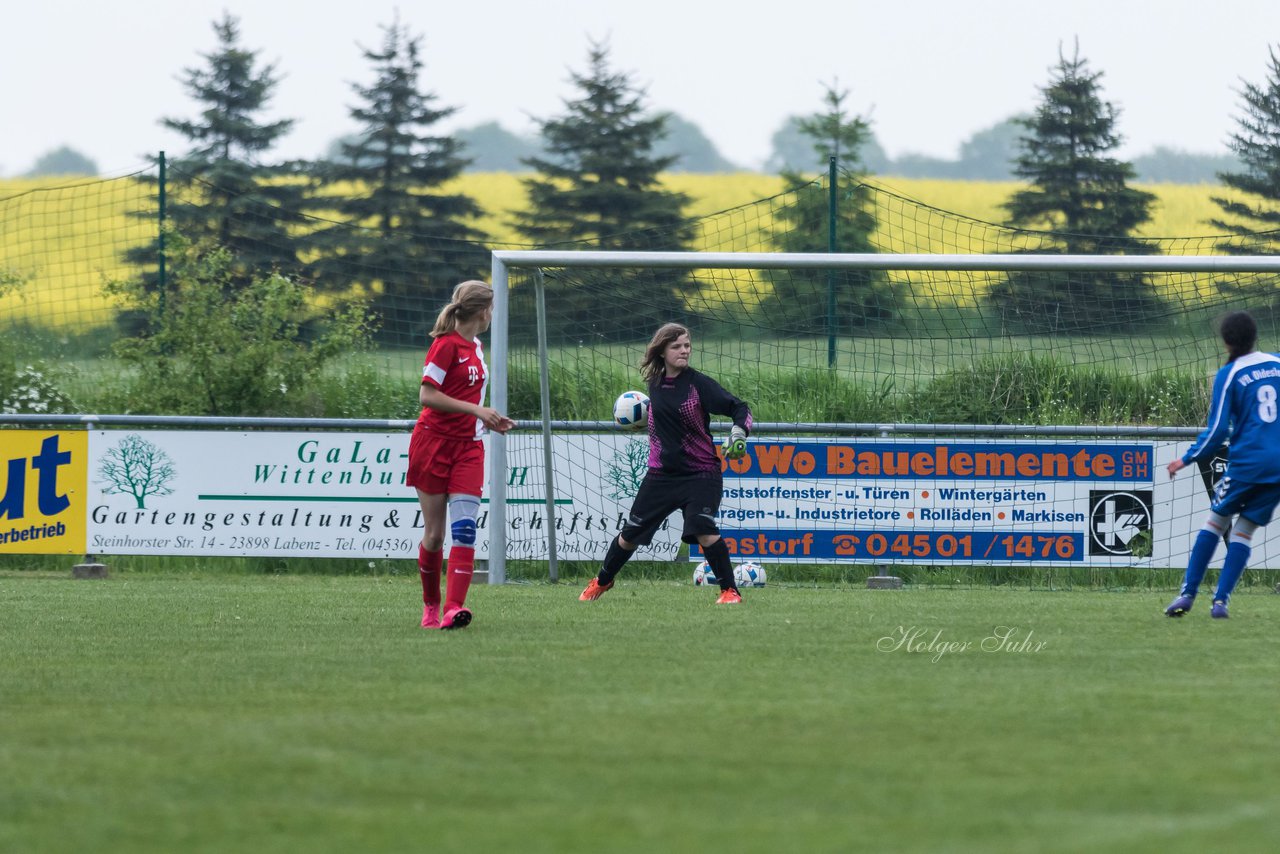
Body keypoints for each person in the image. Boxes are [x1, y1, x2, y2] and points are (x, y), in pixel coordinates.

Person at [579, 322, 753, 605]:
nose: (684, 351)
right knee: (630, 535)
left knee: (703, 528)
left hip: (701, 472)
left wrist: (738, 432)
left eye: (687, 346)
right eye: (677, 346)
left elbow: (740, 407)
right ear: (661, 351)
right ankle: (602, 581)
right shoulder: (654, 385)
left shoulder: (698, 384)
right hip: (661, 475)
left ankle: (730, 591)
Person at [407, 280, 515, 630]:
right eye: (492, 308)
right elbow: (427, 396)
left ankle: (455, 608)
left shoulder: (477, 347)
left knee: (465, 530)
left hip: (469, 448)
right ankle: (431, 607)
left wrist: (489, 420)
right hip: (433, 444)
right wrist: (477, 410)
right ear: (483, 311)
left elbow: (470, 401)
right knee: (435, 535)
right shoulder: (445, 346)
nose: (492, 314)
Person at [1166, 310, 1280, 619]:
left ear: (1226, 342)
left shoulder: (1229, 374)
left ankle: (1187, 595)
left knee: (1215, 523)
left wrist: (1185, 458)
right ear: (1255, 336)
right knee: (1243, 532)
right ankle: (1220, 602)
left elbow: (1217, 432)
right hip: (1278, 468)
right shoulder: (1276, 363)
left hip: (1249, 463)